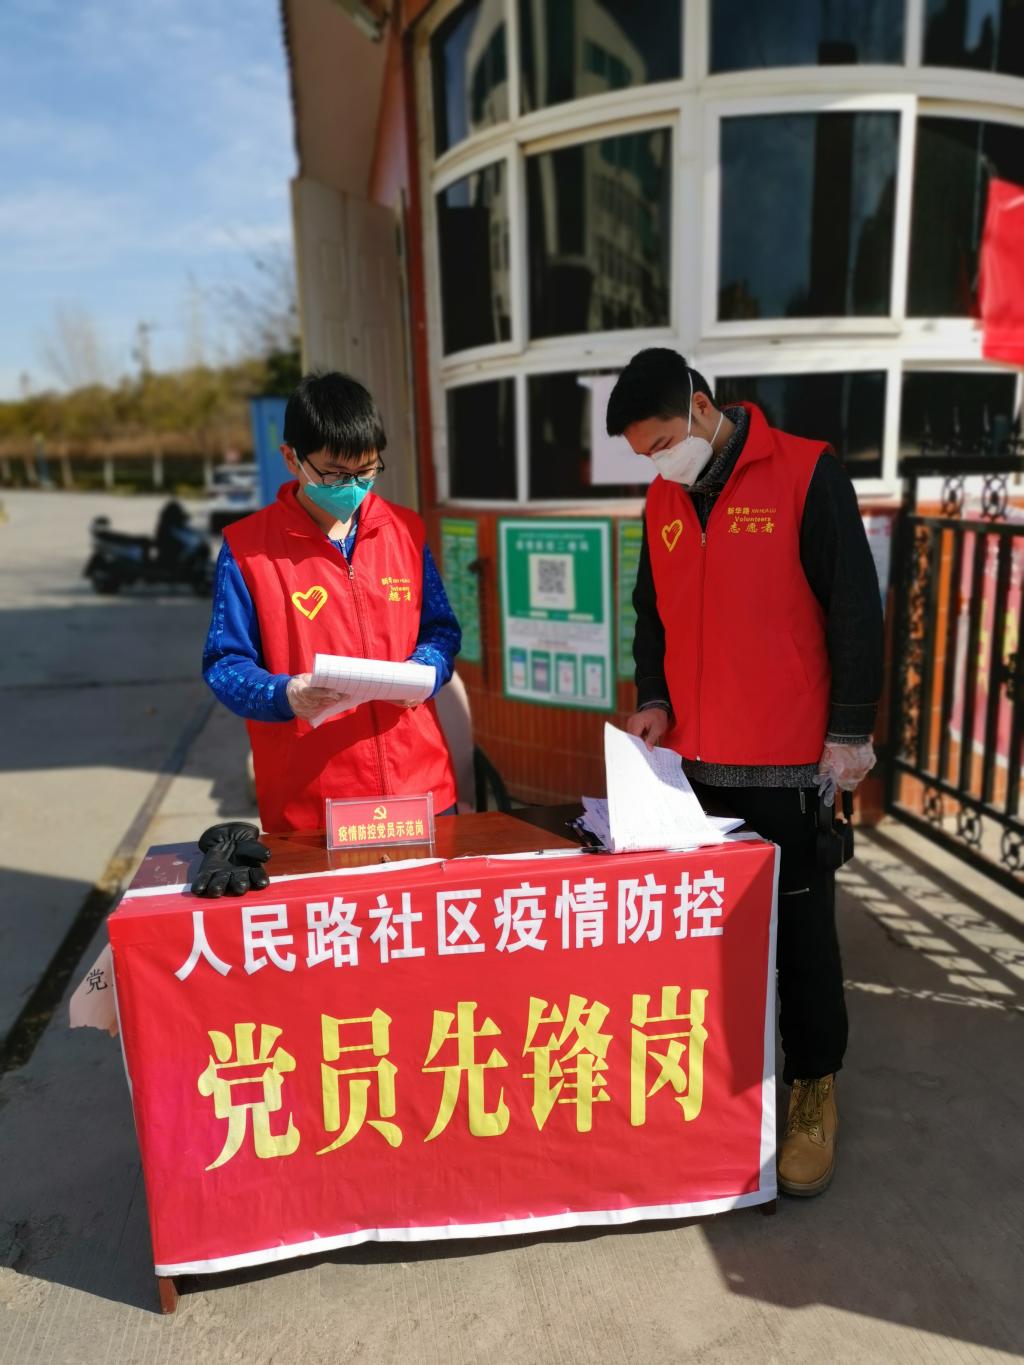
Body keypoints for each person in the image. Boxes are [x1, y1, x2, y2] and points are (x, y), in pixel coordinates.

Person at [607, 348, 883, 1198]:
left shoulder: (805, 473)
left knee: (802, 938)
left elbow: (854, 608)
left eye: (662, 443)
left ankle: (813, 1086)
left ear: (700, 406)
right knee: (705, 938)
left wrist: (847, 735)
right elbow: (650, 612)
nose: (657, 464)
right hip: (693, 769)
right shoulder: (663, 500)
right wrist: (653, 698)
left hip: (789, 765)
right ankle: (718, 1087)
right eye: (643, 454)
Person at [203, 371, 460, 834]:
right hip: (313, 802)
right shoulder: (247, 549)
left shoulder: (405, 530)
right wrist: (285, 695)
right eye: (335, 474)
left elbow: (440, 630)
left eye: (366, 471)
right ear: (291, 458)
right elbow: (225, 664)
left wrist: (425, 669)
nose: (353, 487)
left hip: (418, 784)